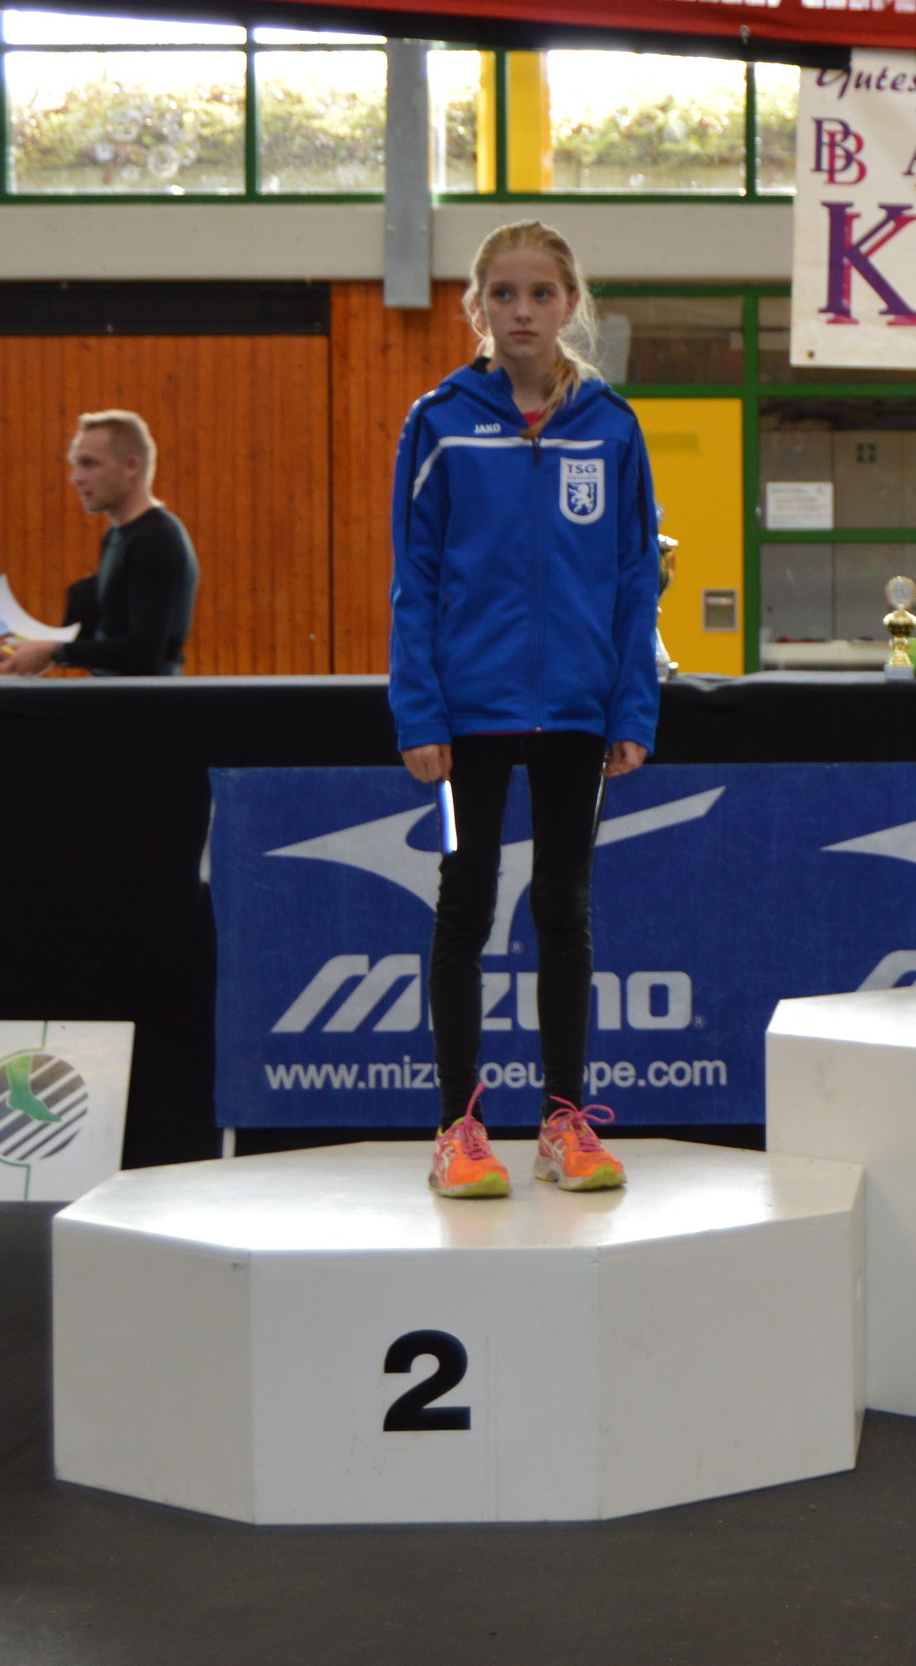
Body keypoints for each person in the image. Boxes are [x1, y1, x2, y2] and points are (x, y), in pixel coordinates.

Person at [391, 221, 658, 1199]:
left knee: (563, 909)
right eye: (502, 294)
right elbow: (413, 578)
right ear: (476, 306)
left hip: (577, 716)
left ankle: (562, 1122)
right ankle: (458, 1128)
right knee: (465, 905)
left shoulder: (612, 427)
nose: (522, 312)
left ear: (571, 303)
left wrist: (631, 706)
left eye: (541, 293)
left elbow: (636, 578)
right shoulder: (439, 423)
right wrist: (419, 712)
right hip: (466, 717)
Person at [0, 410, 196, 677]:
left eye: (89, 463)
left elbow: (143, 651)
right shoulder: (117, 537)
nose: (76, 477)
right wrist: (20, 647)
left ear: (131, 466)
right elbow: (101, 638)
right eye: (76, 465)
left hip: (149, 701)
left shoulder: (157, 539)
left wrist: (54, 652)